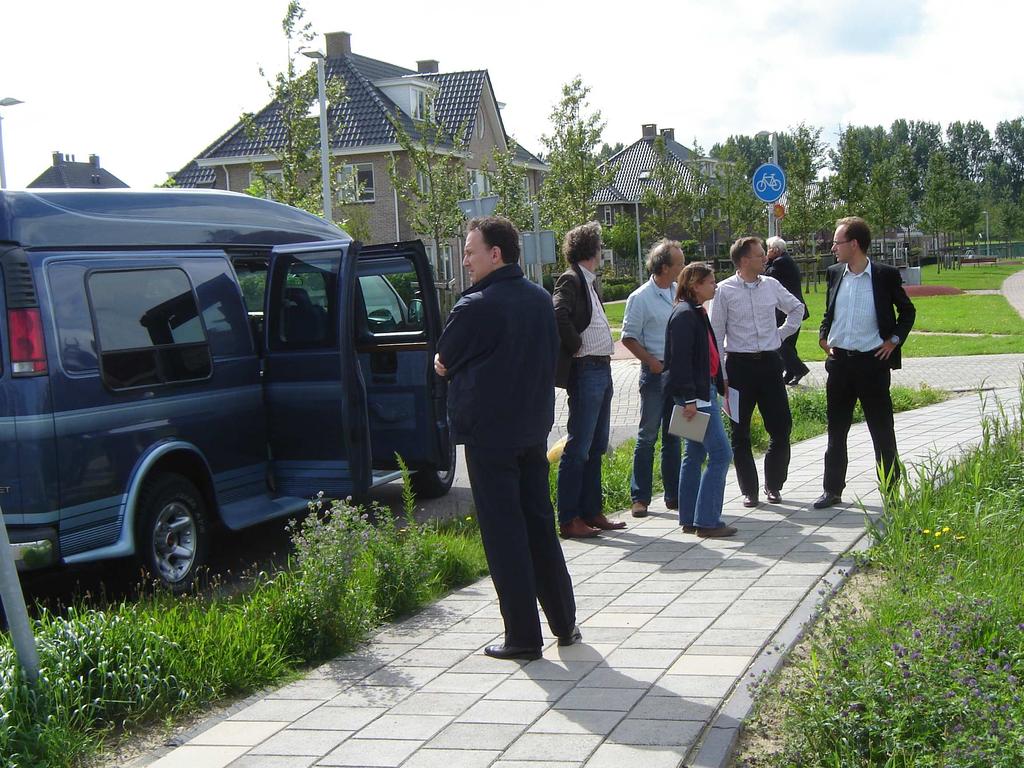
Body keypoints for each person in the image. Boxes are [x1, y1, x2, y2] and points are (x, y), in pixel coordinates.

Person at [434, 216, 580, 660]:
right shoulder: (539, 300)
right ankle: (564, 623)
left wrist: (449, 364)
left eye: (470, 251)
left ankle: (522, 637)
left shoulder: (475, 305)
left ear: (495, 254)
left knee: (504, 535)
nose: (465, 260)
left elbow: (443, 358)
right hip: (532, 431)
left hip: (489, 437)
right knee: (539, 524)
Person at [814, 216, 916, 509]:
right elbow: (829, 313)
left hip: (872, 365)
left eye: (837, 241)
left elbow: (907, 312)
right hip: (840, 365)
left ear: (854, 244)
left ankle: (891, 492)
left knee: (882, 431)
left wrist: (893, 340)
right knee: (836, 431)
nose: (832, 247)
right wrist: (823, 337)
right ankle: (832, 490)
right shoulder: (834, 273)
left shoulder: (883, 275)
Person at [710, 237, 805, 508]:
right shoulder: (723, 290)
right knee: (740, 433)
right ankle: (748, 490)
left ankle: (773, 485)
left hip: (770, 365)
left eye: (765, 254)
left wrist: (780, 335)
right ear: (743, 260)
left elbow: (797, 308)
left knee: (781, 427)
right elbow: (716, 334)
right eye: (759, 254)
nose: (765, 258)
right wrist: (722, 374)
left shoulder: (771, 285)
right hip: (738, 367)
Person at [553, 221, 626, 538]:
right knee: (579, 446)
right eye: (599, 246)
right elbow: (557, 312)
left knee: (596, 445)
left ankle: (592, 511)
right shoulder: (570, 279)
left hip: (601, 369)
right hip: (585, 369)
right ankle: (569, 519)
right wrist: (576, 344)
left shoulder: (590, 281)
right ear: (591, 250)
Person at [664, 262, 735, 538]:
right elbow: (679, 362)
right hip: (696, 398)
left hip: (702, 392)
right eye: (710, 281)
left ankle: (690, 517)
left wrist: (719, 383)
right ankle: (707, 520)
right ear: (694, 284)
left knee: (694, 454)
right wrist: (690, 399)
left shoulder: (695, 311)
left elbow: (707, 354)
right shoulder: (684, 315)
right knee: (721, 454)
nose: (714, 285)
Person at [620, 239, 686, 518]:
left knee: (676, 436)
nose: (684, 268)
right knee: (647, 436)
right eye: (680, 264)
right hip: (655, 374)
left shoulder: (677, 293)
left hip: (678, 375)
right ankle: (640, 497)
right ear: (664, 267)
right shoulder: (641, 297)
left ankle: (673, 495)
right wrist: (651, 362)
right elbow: (628, 337)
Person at [765, 236, 811, 386]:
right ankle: (790, 372)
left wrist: (768, 260)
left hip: (788, 309)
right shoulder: (786, 260)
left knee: (779, 341)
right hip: (790, 307)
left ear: (775, 250)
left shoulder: (780, 262)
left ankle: (799, 369)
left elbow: (766, 276)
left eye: (769, 249)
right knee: (788, 344)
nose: (767, 252)